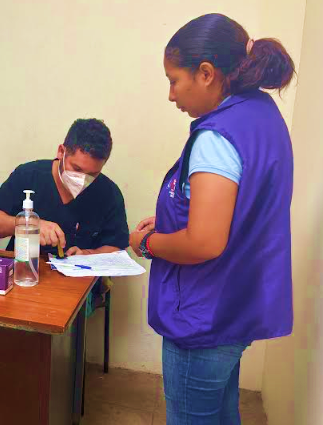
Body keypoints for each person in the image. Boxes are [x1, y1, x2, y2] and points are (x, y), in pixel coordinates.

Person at [129, 13, 294, 424]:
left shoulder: (217, 135)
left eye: (174, 80)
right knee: (221, 415)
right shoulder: (261, 114)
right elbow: (242, 207)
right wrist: (172, 221)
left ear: (206, 73)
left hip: (204, 317)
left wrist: (147, 243)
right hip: (237, 304)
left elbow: (204, 242)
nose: (171, 95)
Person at [0, 118, 129, 257]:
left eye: (92, 174)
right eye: (76, 169)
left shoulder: (109, 193)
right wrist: (28, 224)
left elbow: (117, 247)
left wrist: (87, 254)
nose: (82, 180)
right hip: (24, 268)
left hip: (77, 274)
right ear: (61, 152)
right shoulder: (29, 175)